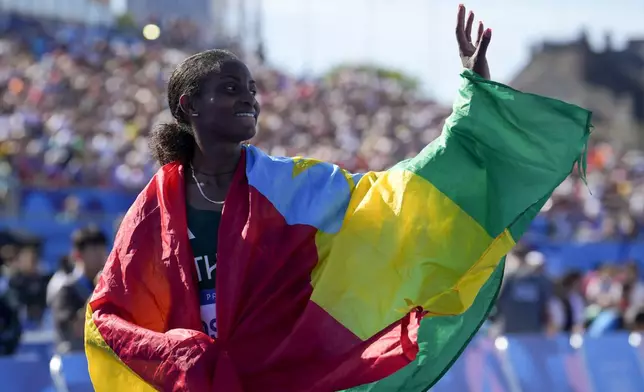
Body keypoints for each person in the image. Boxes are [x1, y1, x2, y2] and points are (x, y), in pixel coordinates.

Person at [85, 6, 592, 392]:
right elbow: (110, 315)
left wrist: (471, 108)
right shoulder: (154, 210)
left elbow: (396, 198)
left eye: (252, 89)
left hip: (290, 375)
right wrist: (181, 355)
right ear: (188, 105)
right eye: (230, 88)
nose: (249, 98)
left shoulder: (291, 185)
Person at [50, 226, 107, 353]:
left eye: (102, 250)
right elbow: (78, 330)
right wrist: (98, 292)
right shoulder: (66, 290)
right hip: (75, 360)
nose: (100, 256)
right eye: (93, 251)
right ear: (78, 255)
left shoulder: (112, 288)